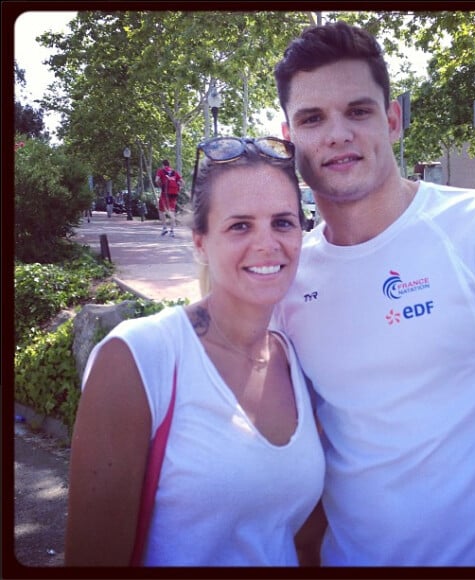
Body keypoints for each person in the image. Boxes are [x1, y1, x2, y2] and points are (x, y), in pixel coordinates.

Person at [273, 21, 475, 566]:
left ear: (392, 121)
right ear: (291, 139)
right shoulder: (286, 281)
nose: (337, 133)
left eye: (358, 111)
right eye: (313, 119)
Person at [65, 136, 325, 567]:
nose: (267, 244)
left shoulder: (296, 358)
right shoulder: (137, 358)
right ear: (200, 242)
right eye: (240, 225)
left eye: (283, 222)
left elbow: (298, 538)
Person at [155, 159, 183, 237]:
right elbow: (182, 182)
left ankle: (164, 228)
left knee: (161, 210)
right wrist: (178, 188)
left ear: (163, 165)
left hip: (165, 194)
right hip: (173, 194)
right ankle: (172, 231)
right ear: (169, 165)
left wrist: (160, 186)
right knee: (172, 211)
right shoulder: (174, 172)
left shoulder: (161, 171)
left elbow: (156, 180)